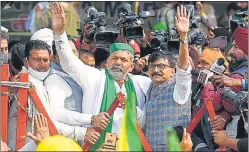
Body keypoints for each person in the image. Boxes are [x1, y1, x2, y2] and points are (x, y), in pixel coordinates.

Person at [50, 2, 151, 150]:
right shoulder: (94, 77)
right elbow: (69, 62)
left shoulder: (143, 84)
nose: (117, 63)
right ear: (107, 61)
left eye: (123, 60)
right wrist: (59, 34)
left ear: (131, 65)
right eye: (114, 58)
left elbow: (144, 121)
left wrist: (133, 110)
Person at [7, 40, 91, 150]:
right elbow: (47, 124)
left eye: (45, 60)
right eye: (36, 60)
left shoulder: (39, 81)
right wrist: (82, 133)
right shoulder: (30, 84)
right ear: (26, 62)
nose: (42, 64)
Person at [141, 5, 193, 151]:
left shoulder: (179, 88)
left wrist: (183, 36)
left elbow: (184, 68)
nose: (156, 70)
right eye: (152, 66)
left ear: (172, 71)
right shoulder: (151, 86)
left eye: (161, 66)